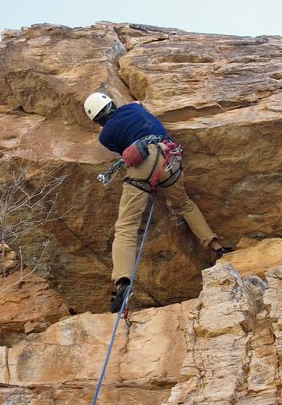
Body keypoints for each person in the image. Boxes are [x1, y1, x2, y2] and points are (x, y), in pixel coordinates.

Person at [84, 92, 233, 313]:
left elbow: (126, 152)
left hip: (143, 161)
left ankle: (122, 282)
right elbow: (137, 108)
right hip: (169, 158)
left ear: (97, 120)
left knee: (126, 226)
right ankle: (217, 247)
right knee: (183, 204)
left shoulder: (105, 136)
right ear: (112, 103)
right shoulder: (134, 109)